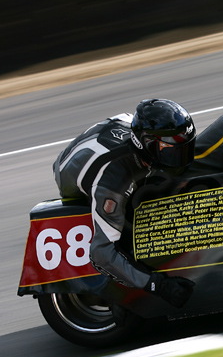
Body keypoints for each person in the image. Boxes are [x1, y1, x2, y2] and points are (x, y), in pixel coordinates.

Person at [53, 98, 197, 310]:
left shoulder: (139, 135)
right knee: (125, 230)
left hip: (105, 145)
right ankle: (115, 293)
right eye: (171, 151)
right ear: (146, 144)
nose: (181, 158)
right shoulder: (114, 181)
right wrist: (158, 285)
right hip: (74, 176)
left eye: (185, 148)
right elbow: (101, 253)